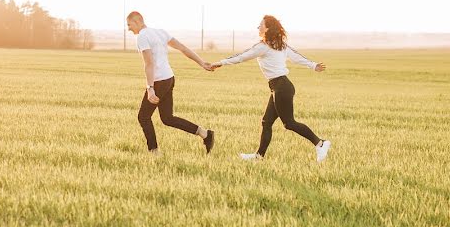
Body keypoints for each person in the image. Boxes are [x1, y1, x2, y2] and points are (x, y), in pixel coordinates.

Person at [212, 15, 330, 161]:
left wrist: (221, 62)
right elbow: (296, 56)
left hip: (281, 87)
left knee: (289, 123)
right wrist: (313, 65)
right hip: (279, 87)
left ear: (267, 28)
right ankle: (259, 156)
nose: (258, 27)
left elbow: (242, 56)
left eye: (260, 25)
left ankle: (320, 143)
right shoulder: (279, 45)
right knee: (266, 122)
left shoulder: (264, 46)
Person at [127, 11, 215, 155]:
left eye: (129, 25)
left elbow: (149, 63)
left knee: (143, 117)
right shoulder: (160, 32)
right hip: (169, 78)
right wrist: (201, 63)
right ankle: (205, 134)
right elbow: (183, 48)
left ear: (137, 21)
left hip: (159, 81)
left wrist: (150, 88)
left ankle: (154, 152)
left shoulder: (142, 37)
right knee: (167, 118)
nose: (129, 29)